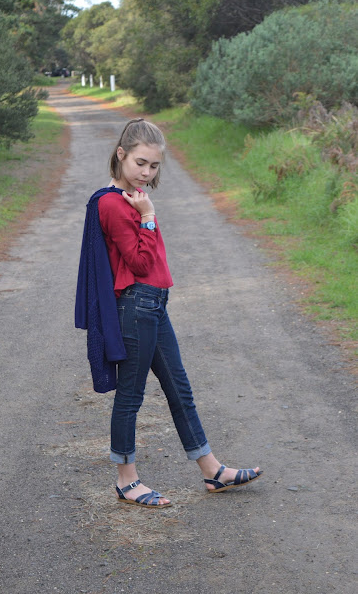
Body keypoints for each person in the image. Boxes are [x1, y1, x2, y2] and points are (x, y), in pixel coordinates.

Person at [75, 118, 262, 508]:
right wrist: (147, 215)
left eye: (154, 165)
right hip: (135, 306)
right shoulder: (112, 203)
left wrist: (145, 210)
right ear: (121, 155)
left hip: (154, 305)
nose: (147, 172)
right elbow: (141, 263)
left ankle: (212, 470)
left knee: (180, 389)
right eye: (140, 163)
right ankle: (126, 480)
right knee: (131, 396)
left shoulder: (133, 197)